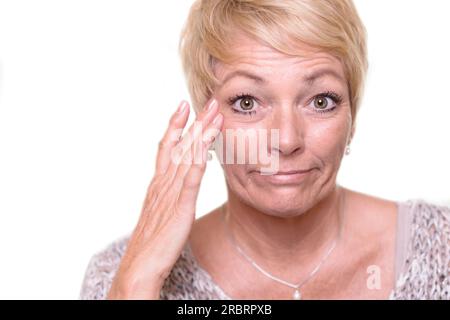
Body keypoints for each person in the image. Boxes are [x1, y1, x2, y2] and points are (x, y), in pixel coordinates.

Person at [80, 0, 450, 300]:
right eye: (246, 103)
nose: (287, 140)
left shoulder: (442, 248)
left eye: (320, 101)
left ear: (352, 115)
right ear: (205, 121)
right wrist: (133, 288)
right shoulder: (118, 275)